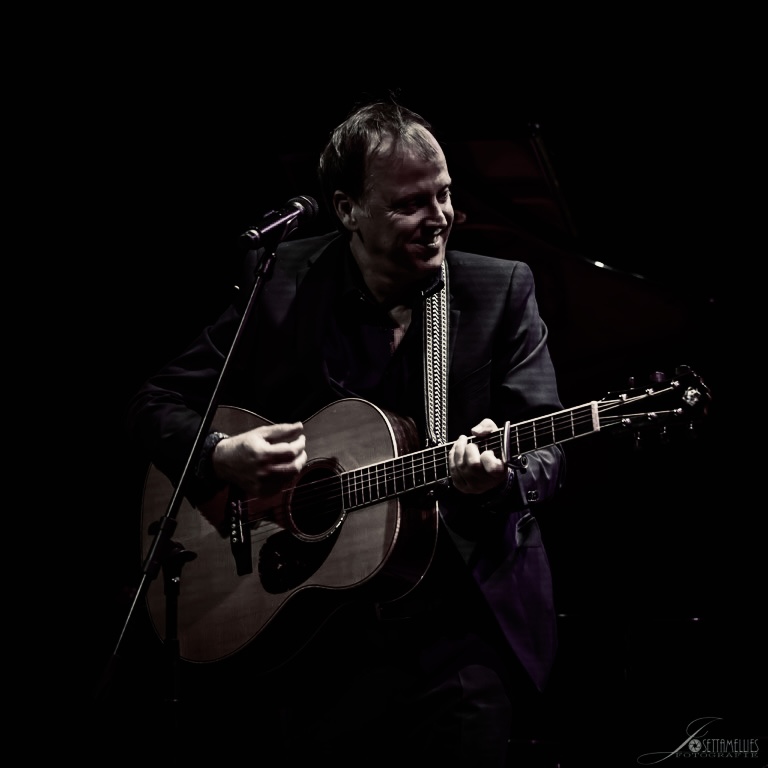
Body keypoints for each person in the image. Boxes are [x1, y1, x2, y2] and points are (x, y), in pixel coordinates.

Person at [125, 99, 566, 767]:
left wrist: (500, 480)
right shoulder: (280, 283)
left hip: (458, 631)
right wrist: (220, 455)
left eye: (444, 194)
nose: (439, 217)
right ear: (348, 209)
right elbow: (155, 401)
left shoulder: (498, 291)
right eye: (409, 203)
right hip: (313, 640)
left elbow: (547, 450)